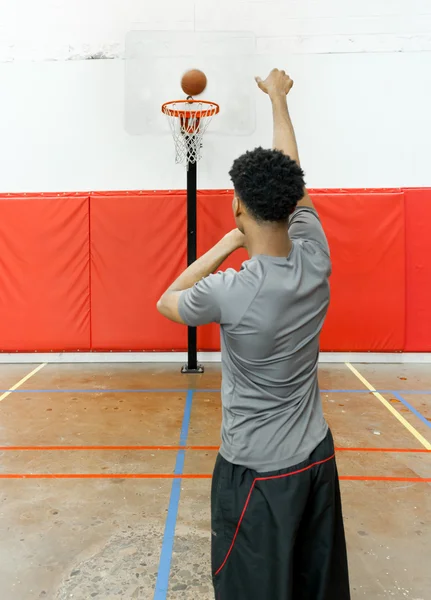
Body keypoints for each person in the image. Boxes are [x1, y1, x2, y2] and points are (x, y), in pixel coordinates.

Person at [157, 68, 350, 600]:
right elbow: (293, 174)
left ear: (238, 207)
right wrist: (279, 99)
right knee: (315, 587)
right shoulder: (315, 256)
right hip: (316, 460)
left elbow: (165, 301)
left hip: (257, 476)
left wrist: (223, 246)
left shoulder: (229, 289)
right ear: (292, 206)